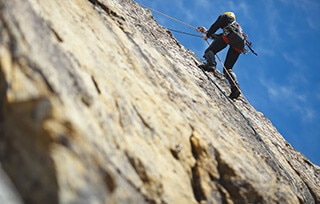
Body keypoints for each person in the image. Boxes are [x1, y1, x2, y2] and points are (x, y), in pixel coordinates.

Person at [196, 11, 247, 100]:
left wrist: (207, 35)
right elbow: (220, 37)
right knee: (228, 68)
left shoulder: (224, 17)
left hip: (229, 38)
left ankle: (211, 65)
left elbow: (216, 25)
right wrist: (206, 31)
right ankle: (235, 89)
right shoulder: (235, 27)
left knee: (210, 51)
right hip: (240, 44)